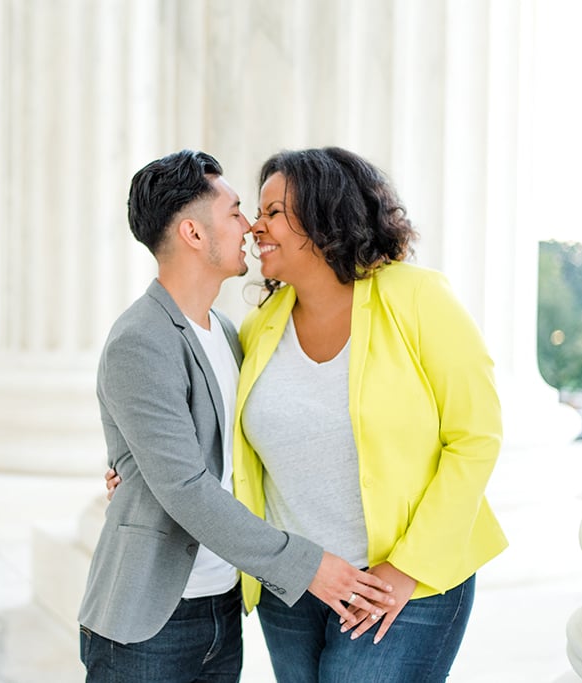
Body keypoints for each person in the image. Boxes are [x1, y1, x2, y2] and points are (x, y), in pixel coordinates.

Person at [78, 149, 394, 683]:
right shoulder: (140, 340)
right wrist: (308, 565)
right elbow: (183, 487)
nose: (249, 225)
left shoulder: (229, 332)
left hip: (222, 608)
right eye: (234, 211)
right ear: (194, 235)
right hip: (151, 620)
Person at [234, 146, 507, 682]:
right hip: (292, 587)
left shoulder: (419, 298)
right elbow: (227, 442)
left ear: (324, 216)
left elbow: (476, 437)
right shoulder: (258, 328)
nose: (253, 227)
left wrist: (403, 570)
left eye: (272, 213)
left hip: (404, 583)